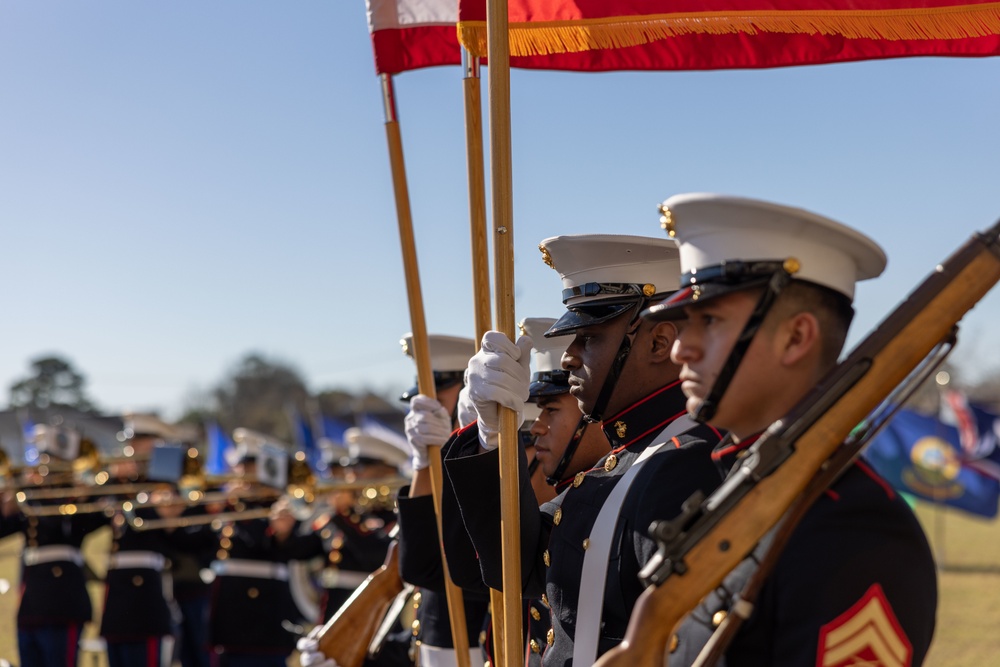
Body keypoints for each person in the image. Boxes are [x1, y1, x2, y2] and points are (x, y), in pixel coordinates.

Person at [645, 193, 937, 666]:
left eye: (711, 321)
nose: (682, 349)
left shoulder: (852, 532)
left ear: (797, 337)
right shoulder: (742, 486)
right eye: (687, 323)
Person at [441, 234, 724, 665]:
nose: (569, 357)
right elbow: (512, 565)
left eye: (588, 338)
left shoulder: (688, 462)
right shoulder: (622, 464)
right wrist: (491, 436)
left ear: (658, 342)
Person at [394, 332, 490, 667]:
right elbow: (417, 567)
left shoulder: (495, 462)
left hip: (475, 646)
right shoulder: (435, 466)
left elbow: (427, 566)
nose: (425, 407)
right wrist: (423, 462)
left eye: (438, 395)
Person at [0, 426, 107, 667]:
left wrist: (79, 492)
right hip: (30, 603)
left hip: (63, 599)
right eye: (44, 459)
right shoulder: (27, 497)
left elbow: (67, 524)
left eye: (54, 461)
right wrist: (6, 504)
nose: (47, 468)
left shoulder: (76, 499)